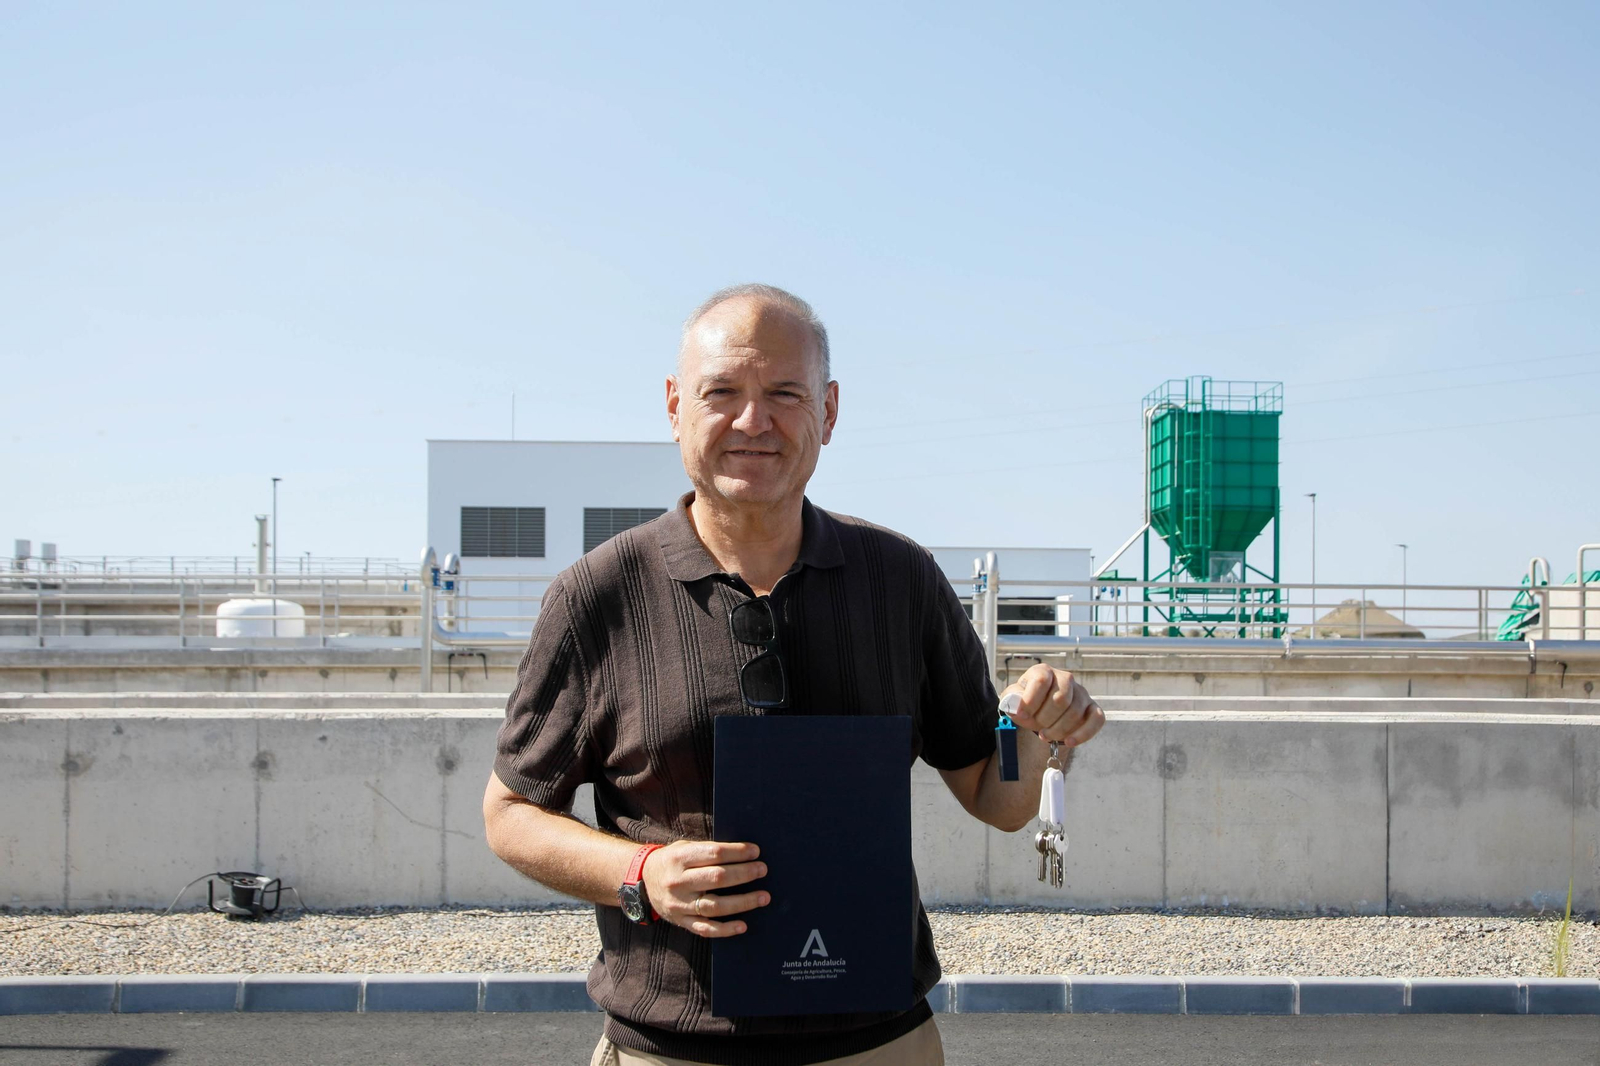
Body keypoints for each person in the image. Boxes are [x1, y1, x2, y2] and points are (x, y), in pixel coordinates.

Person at [483, 283, 1105, 1066]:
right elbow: (509, 812)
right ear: (675, 406)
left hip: (880, 1044)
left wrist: (1041, 735)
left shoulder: (901, 580)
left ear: (830, 410)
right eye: (723, 393)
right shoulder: (596, 597)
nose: (754, 421)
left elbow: (997, 797)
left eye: (784, 393)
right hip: (671, 1049)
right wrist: (640, 873)